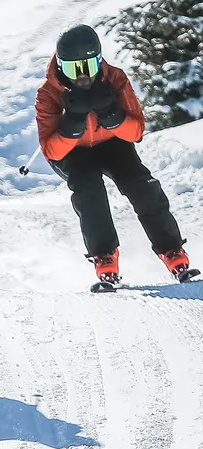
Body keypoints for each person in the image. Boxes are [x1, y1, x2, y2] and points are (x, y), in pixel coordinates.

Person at [35, 24, 196, 286]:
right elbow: (51, 150)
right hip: (73, 152)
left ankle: (172, 250)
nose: (83, 76)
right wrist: (72, 124)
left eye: (89, 66)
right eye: (74, 69)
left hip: (112, 143)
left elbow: (136, 132)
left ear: (100, 60)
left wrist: (113, 117)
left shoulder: (115, 78)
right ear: (60, 67)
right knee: (89, 190)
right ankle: (104, 257)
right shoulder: (48, 93)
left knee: (141, 185)